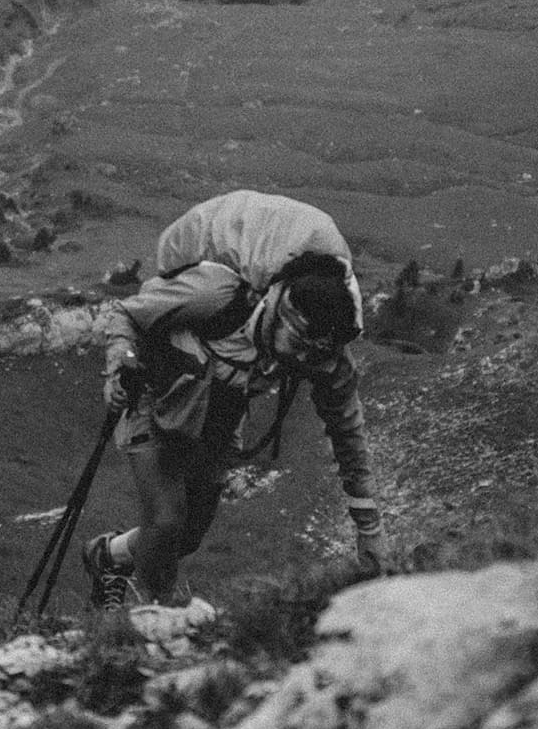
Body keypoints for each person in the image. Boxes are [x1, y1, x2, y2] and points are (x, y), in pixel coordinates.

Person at [83, 190, 387, 609]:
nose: (301, 357)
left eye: (312, 350)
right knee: (167, 522)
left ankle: (107, 556)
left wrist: (368, 528)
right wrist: (121, 360)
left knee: (185, 536)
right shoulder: (215, 292)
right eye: (296, 341)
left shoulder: (325, 354)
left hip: (219, 421)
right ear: (279, 306)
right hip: (155, 393)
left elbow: (348, 433)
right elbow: (127, 313)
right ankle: (141, 625)